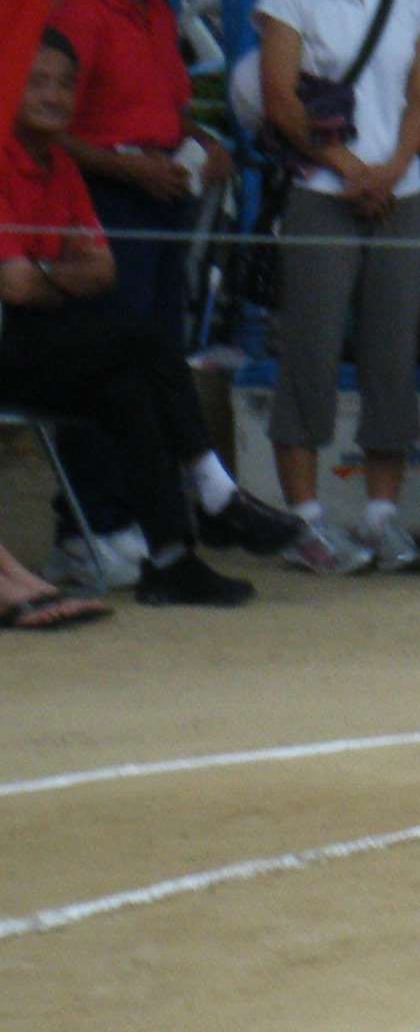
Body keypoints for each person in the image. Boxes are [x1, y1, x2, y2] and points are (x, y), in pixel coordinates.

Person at [0, 31, 289, 604]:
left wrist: (45, 278)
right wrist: (53, 277)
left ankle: (172, 560)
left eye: (64, 84)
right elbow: (14, 285)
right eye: (38, 81)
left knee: (131, 386)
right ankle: (214, 490)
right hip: (8, 341)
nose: (54, 96)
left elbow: (100, 269)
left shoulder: (62, 166)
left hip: (41, 335)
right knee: (141, 336)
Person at [255, 0, 420, 577]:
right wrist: (345, 166)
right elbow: (279, 100)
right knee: (308, 349)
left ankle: (380, 516)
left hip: (401, 194)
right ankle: (307, 520)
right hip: (319, 195)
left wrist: (391, 167)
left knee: (392, 352)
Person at [48, 0, 231, 329]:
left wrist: (208, 144)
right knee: (113, 348)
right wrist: (119, 167)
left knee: (163, 340)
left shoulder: (160, 13)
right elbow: (40, 131)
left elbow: (171, 115)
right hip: (104, 205)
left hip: (166, 194)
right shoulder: (77, 17)